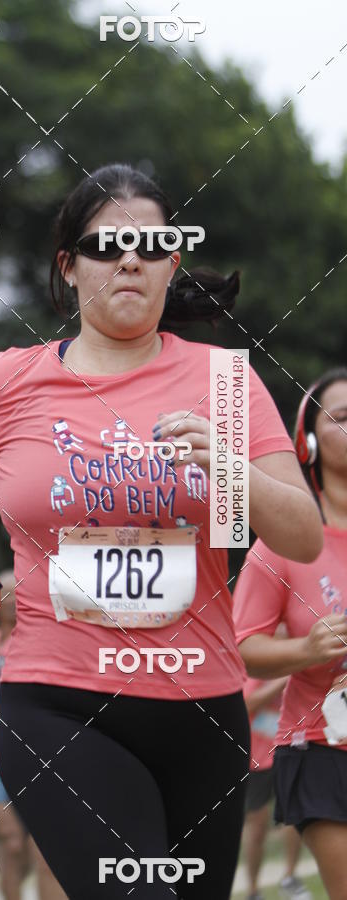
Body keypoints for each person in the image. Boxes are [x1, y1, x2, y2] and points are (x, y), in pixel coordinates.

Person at [0, 163, 323, 899]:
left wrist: (232, 471)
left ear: (173, 262)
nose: (130, 260)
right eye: (107, 247)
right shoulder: (2, 382)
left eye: (149, 244)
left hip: (204, 709)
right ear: (69, 268)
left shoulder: (226, 382)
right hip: (56, 702)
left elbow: (302, 537)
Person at [234, 367, 347, 900]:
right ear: (307, 441)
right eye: (343, 418)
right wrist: (307, 648)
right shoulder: (281, 543)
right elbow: (245, 649)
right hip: (322, 749)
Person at [0, 570, 66, 900]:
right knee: (12, 843)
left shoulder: (50, 641)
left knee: (44, 848)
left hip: (42, 755)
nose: (12, 602)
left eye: (18, 595)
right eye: (6, 595)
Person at [241, 672, 311, 900]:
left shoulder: (299, 658)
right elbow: (248, 703)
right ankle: (253, 891)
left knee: (294, 819)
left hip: (289, 751)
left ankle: (290, 878)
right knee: (257, 829)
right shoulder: (260, 665)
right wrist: (284, 679)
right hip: (257, 760)